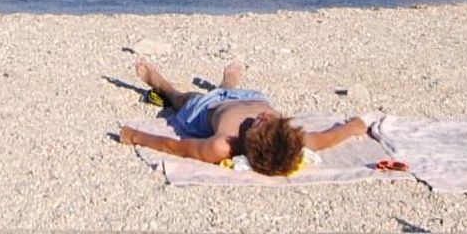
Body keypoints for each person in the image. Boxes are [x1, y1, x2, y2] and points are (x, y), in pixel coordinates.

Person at [117, 57, 370, 176]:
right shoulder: (291, 139)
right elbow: (329, 137)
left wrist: (136, 136)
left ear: (250, 142)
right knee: (230, 90)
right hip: (250, 96)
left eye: (261, 123)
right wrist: (354, 127)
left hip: (207, 108)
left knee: (184, 99)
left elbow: (176, 147)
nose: (265, 116)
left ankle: (163, 86)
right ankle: (228, 83)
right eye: (273, 120)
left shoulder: (223, 145)